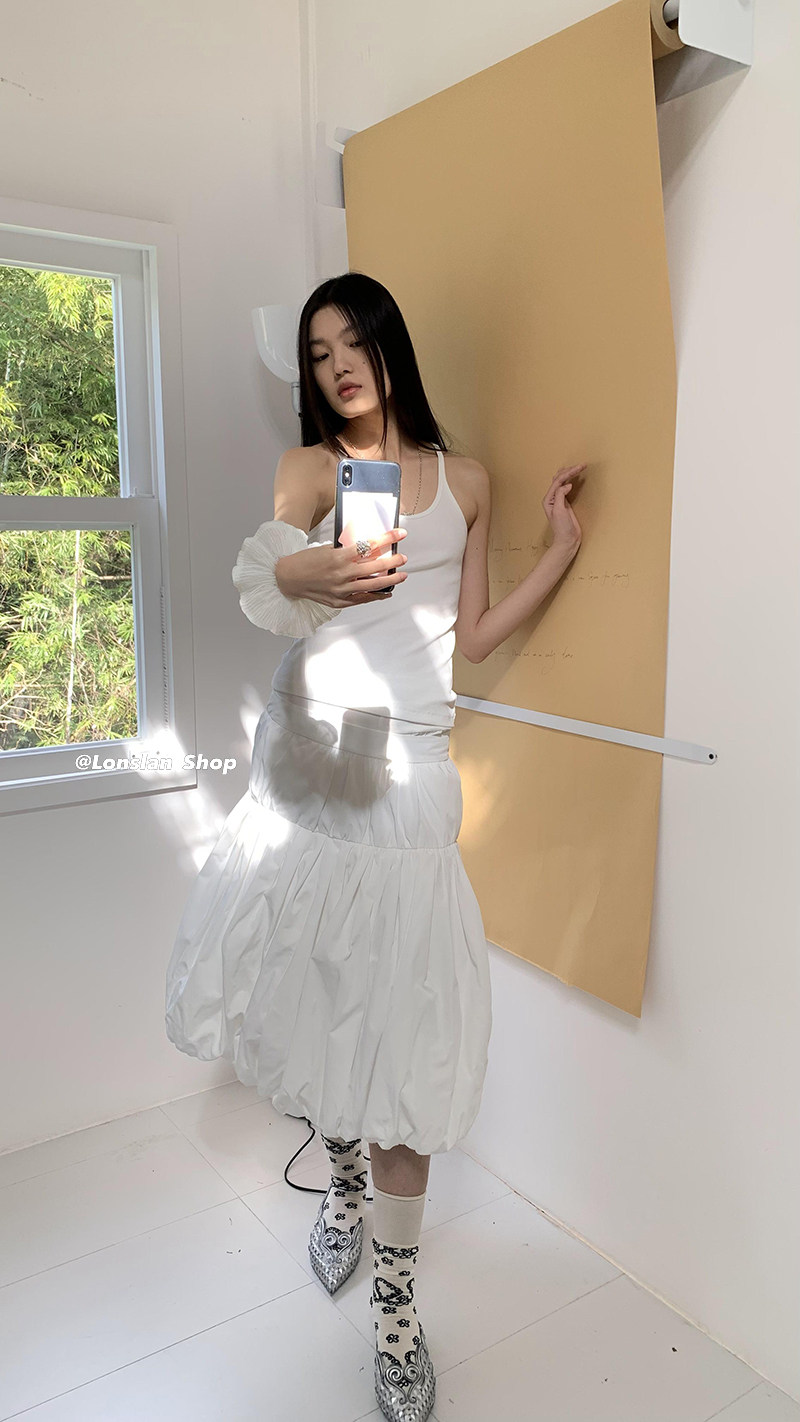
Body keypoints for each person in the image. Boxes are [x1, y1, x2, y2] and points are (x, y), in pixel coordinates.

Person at [164, 271, 584, 1422]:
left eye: (353, 342)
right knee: (320, 994)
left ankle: (395, 1304)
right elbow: (274, 581)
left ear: (390, 346)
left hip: (410, 775)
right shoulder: (311, 473)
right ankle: (341, 1181)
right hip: (313, 760)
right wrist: (305, 570)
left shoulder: (469, 483)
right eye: (317, 353)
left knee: (406, 1033)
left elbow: (473, 640)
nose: (338, 365)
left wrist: (558, 548)